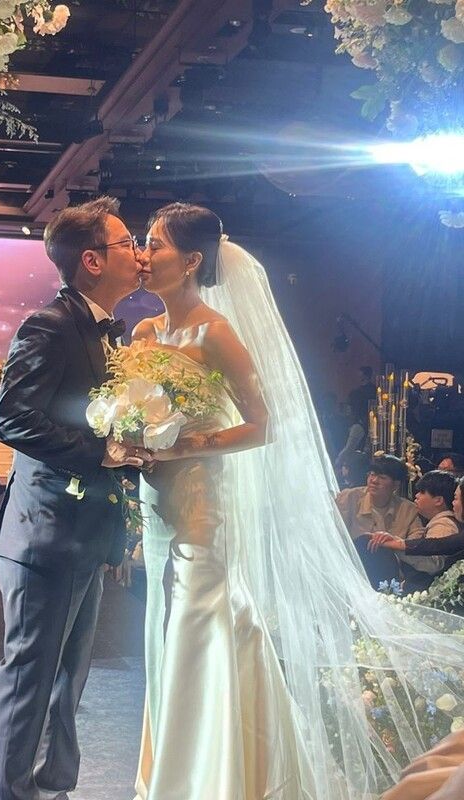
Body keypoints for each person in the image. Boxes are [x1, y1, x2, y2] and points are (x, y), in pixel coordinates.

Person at [131, 201, 464, 800]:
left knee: (198, 619)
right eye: (144, 242)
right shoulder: (143, 333)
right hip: (157, 502)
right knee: (161, 623)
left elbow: (264, 425)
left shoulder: (216, 332)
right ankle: (173, 770)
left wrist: (188, 444)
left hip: (203, 503)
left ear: (192, 260)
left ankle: (209, 779)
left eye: (155, 244)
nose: (143, 254)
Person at [0, 197, 152, 800]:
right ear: (91, 260)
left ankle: (52, 784)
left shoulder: (107, 331)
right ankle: (10, 792)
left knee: (69, 676)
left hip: (85, 531)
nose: (139, 254)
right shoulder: (50, 325)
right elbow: (11, 419)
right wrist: (100, 452)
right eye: (126, 242)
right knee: (31, 675)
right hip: (46, 532)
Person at [336, 455, 424, 588]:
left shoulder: (408, 510)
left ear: (396, 484)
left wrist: (393, 543)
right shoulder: (349, 498)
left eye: (382, 477)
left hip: (390, 579)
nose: (374, 481)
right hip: (349, 573)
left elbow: (416, 547)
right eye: (372, 474)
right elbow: (333, 536)